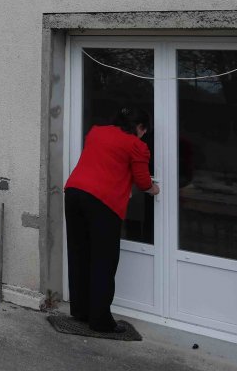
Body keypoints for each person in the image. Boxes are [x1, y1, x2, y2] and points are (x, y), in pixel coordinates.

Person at [64, 107, 160, 332]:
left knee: (79, 254)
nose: (144, 135)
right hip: (102, 203)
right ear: (140, 127)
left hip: (74, 193)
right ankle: (100, 320)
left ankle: (81, 311)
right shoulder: (137, 145)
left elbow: (105, 163)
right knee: (103, 260)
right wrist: (154, 189)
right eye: (144, 131)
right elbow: (143, 181)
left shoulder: (96, 132)